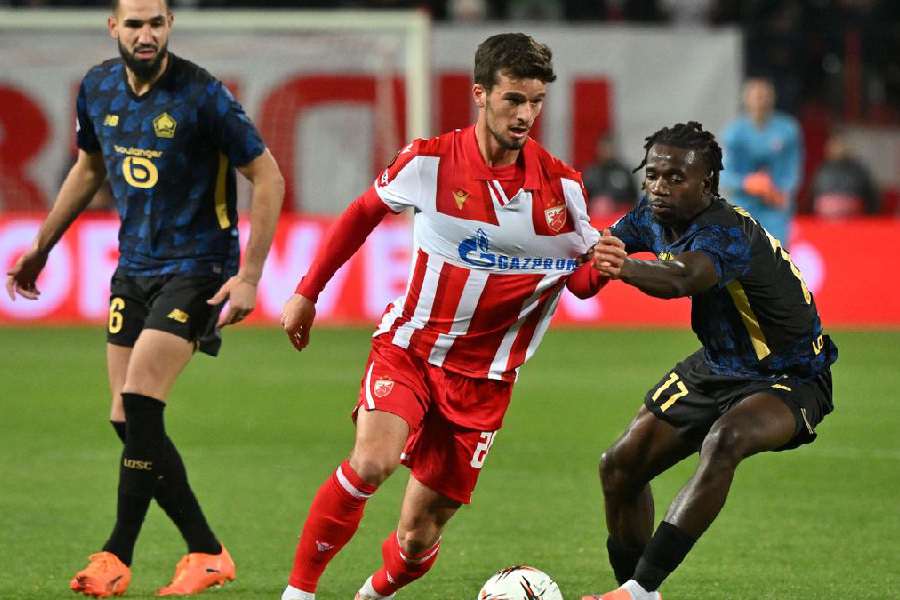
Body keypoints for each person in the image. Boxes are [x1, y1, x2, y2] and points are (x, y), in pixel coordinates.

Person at [280, 32, 607, 600]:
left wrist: (605, 266)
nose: (525, 115)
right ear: (480, 94)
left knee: (416, 538)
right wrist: (308, 291)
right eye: (513, 99)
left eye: (536, 102)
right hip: (410, 347)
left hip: (485, 380)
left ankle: (371, 594)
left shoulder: (563, 190)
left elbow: (578, 282)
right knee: (371, 462)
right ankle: (299, 593)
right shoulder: (428, 161)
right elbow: (361, 214)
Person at [5, 0, 284, 596]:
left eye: (156, 22)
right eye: (134, 24)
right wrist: (42, 246)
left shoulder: (203, 94)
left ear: (169, 25)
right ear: (114, 28)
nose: (146, 34)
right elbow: (89, 168)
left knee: (140, 398)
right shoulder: (98, 88)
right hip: (133, 268)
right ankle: (206, 550)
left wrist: (251, 275)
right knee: (125, 417)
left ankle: (116, 554)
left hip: (199, 267)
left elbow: (268, 175)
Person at [581, 122, 837, 600]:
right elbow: (597, 245)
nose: (660, 187)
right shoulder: (649, 216)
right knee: (618, 467)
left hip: (790, 374)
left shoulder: (726, 232)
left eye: (676, 177)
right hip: (718, 365)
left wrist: (625, 267)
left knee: (725, 440)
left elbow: (684, 277)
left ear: (708, 183)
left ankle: (640, 590)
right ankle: (633, 593)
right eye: (653, 175)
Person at [719, 78, 802, 246]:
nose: (760, 102)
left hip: (775, 206)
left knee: (776, 254)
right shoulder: (734, 132)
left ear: (773, 98)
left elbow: (793, 167)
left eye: (764, 96)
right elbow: (725, 173)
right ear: (746, 99)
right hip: (744, 206)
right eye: (756, 96)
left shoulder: (788, 129)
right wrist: (747, 183)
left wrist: (782, 191)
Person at [810, 132, 879, 218]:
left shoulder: (822, 169)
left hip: (834, 210)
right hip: (839, 209)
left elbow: (812, 196)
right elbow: (872, 196)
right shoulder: (823, 169)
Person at [582, 133, 640, 217]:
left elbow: (634, 199)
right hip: (596, 219)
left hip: (620, 218)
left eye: (608, 148)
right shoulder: (590, 173)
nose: (606, 152)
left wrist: (614, 204)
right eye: (603, 148)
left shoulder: (624, 173)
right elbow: (582, 200)